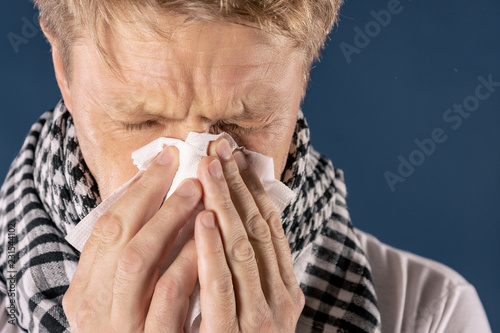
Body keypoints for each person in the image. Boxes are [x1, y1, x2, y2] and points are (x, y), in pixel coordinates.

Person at [0, 0, 491, 332]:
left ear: (302, 79)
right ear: (63, 70)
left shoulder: (428, 312)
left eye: (243, 122)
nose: (190, 177)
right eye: (140, 119)